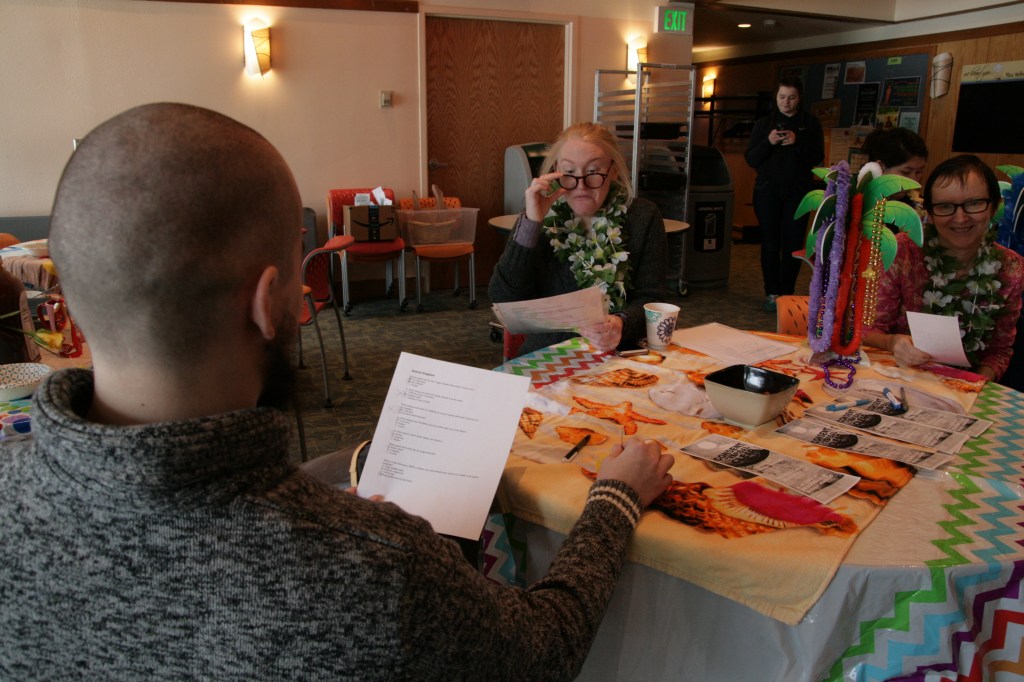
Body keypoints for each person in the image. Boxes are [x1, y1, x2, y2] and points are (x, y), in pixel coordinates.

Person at [0, 103, 676, 680]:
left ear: (67, 301)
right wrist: (615, 500)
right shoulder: (373, 566)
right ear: (270, 302)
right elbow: (543, 652)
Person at [489, 121, 668, 356]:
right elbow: (504, 298)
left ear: (613, 171)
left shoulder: (643, 217)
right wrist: (531, 223)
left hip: (620, 355)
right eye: (569, 173)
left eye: (593, 172)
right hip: (549, 354)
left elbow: (652, 300)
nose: (581, 186)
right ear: (556, 171)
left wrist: (622, 322)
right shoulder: (541, 219)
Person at [863, 154, 1024, 381]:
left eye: (974, 204)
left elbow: (999, 351)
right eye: (945, 206)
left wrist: (973, 385)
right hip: (895, 378)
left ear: (994, 206)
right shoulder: (901, 252)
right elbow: (867, 329)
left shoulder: (1011, 267)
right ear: (929, 212)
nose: (960, 218)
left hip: (966, 386)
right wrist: (892, 342)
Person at [744, 77, 825, 312]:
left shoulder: (810, 124)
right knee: (770, 242)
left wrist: (797, 142)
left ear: (799, 99)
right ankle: (771, 292)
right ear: (776, 97)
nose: (786, 102)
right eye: (781, 97)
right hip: (767, 190)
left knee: (793, 243)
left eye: (791, 98)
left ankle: (787, 292)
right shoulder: (764, 124)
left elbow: (816, 157)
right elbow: (751, 159)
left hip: (798, 191)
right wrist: (768, 142)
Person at [861, 126, 929, 221]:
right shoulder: (859, 202)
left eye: (918, 172)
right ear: (881, 167)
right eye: (906, 172)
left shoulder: (919, 205)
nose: (914, 181)